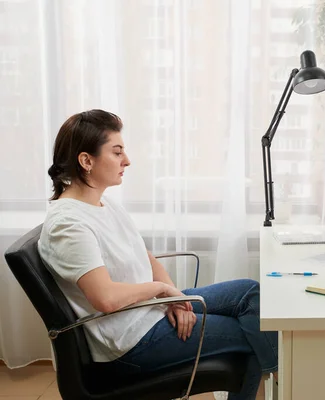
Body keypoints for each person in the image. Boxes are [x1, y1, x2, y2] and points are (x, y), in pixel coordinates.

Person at [38, 109, 277, 400]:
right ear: (86, 161)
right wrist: (162, 290)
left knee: (250, 294)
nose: (127, 161)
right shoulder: (68, 224)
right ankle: (293, 374)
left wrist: (174, 298)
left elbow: (146, 257)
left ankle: (286, 370)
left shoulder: (103, 204)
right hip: (131, 342)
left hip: (149, 312)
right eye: (117, 152)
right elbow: (106, 298)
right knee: (253, 336)